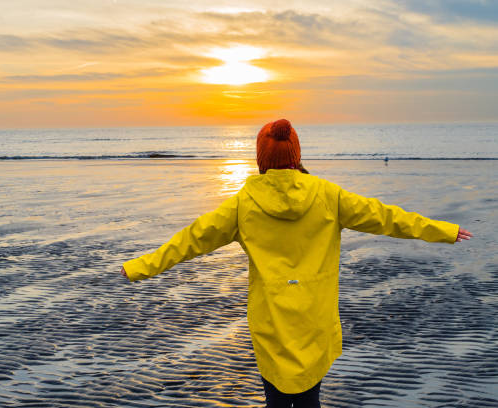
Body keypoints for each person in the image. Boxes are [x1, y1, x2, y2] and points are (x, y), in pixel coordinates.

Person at [119, 119, 473, 408]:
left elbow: (190, 240)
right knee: (309, 396)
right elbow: (386, 217)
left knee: (275, 396)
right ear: (296, 154)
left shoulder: (243, 204)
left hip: (272, 317)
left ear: (261, 158)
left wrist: (140, 266)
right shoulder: (328, 195)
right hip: (314, 316)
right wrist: (443, 230)